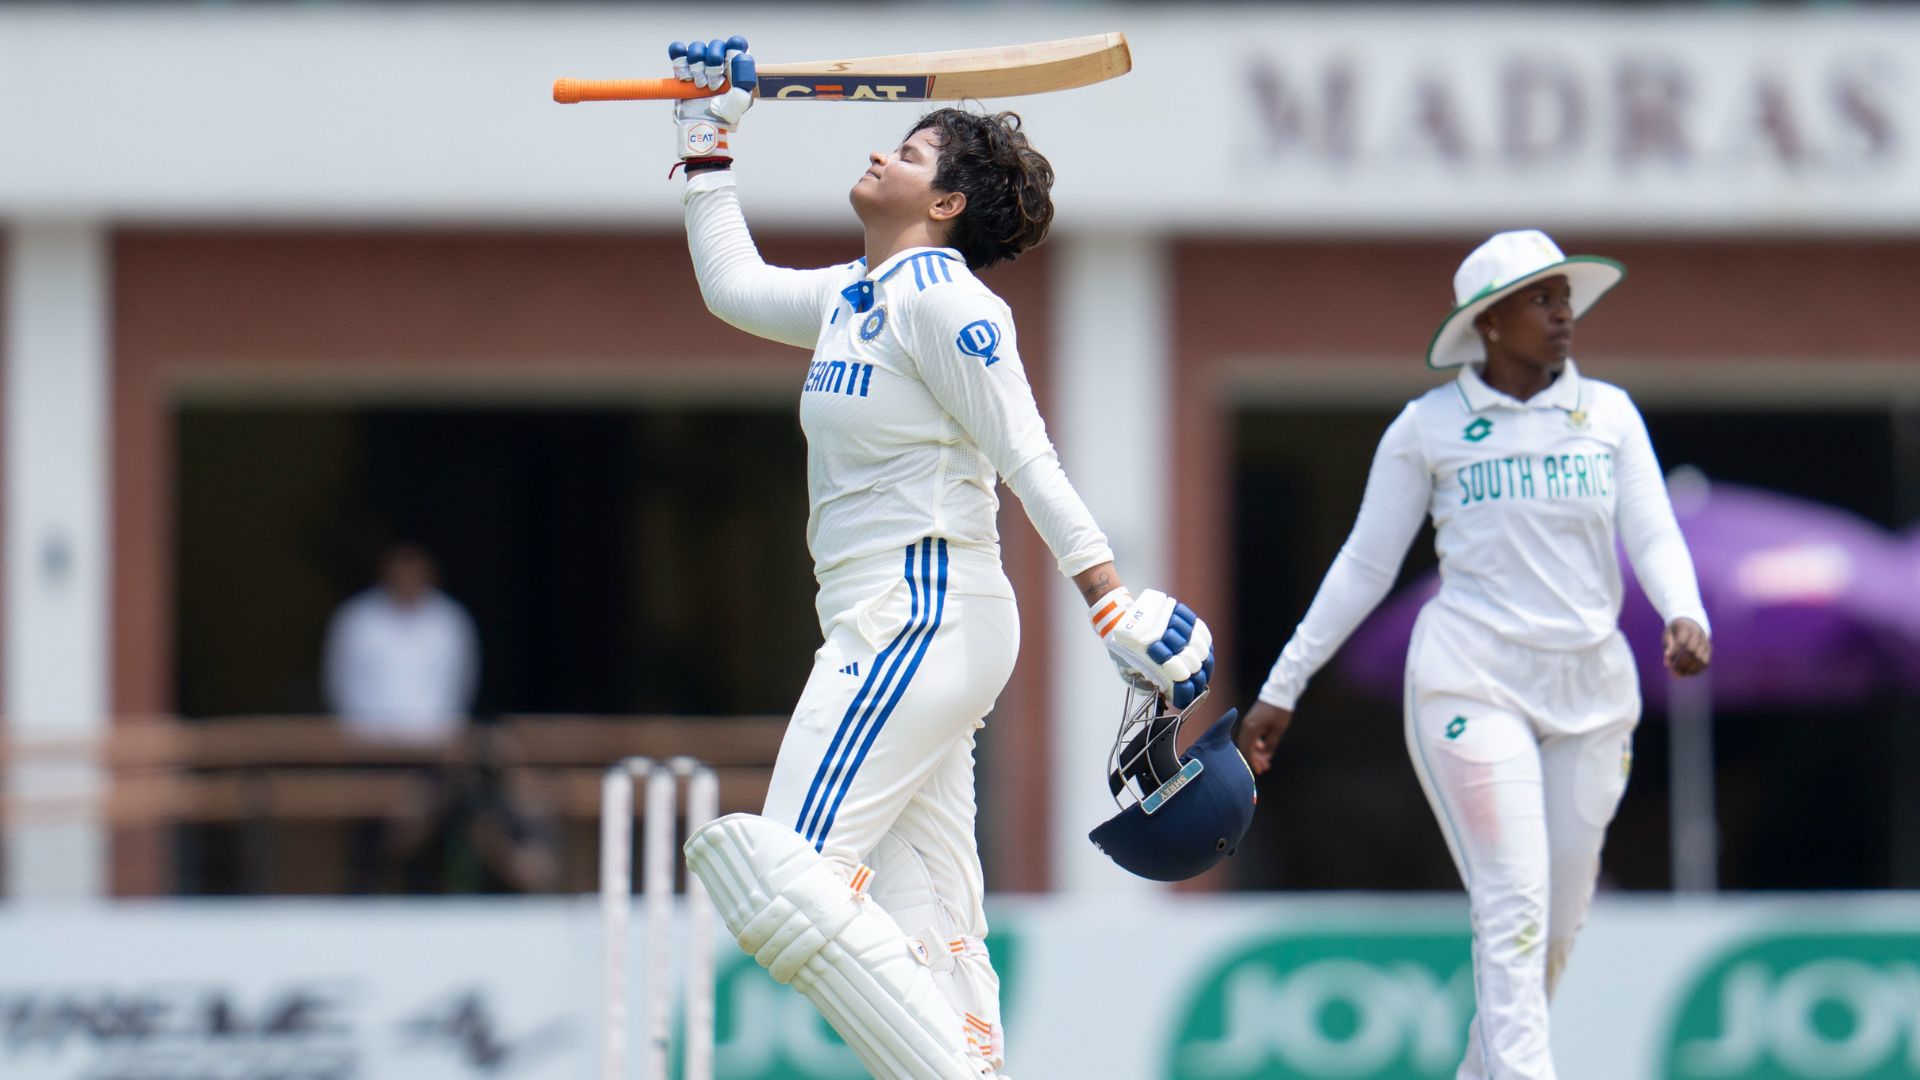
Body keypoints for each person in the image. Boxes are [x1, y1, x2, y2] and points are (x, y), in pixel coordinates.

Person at [664, 37, 1213, 1080]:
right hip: (895, 623)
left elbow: (1028, 456)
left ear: (948, 205)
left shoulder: (944, 301)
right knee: (934, 932)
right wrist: (707, 139)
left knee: (782, 874)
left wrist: (1110, 601)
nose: (884, 157)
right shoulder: (855, 297)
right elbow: (734, 287)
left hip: (923, 614)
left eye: (910, 153)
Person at [1237, 229, 1712, 1080]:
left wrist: (1684, 610)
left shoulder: (1607, 414)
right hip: (1472, 679)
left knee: (1555, 927)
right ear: (1488, 322)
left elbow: (1653, 529)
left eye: (1564, 296)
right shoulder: (1429, 428)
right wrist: (1285, 685)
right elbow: (1363, 566)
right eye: (1540, 299)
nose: (1562, 313)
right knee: (1513, 905)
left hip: (1592, 690)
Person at [322, 542, 480, 743]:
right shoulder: (357, 618)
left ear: (428, 575)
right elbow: (339, 678)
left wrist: (446, 727)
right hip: (369, 739)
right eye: (401, 572)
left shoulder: (450, 619)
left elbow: (464, 679)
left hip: (436, 739)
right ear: (386, 574)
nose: (407, 578)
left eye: (414, 572)